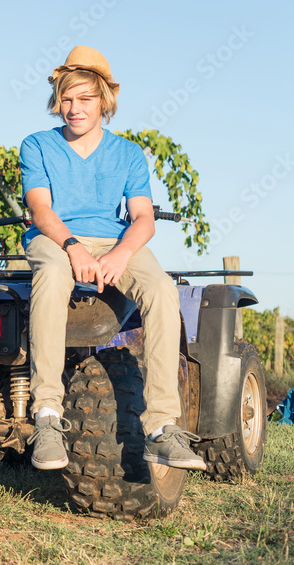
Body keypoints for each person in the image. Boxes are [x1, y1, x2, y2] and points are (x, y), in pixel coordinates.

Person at [19, 45, 206, 472]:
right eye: (66, 98)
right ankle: (47, 414)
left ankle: (161, 427)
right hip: (57, 238)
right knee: (49, 277)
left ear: (104, 100)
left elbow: (143, 218)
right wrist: (73, 248)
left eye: (84, 98)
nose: (74, 108)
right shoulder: (38, 145)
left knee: (161, 289)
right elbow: (41, 211)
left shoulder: (128, 154)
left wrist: (121, 254)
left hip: (114, 240)